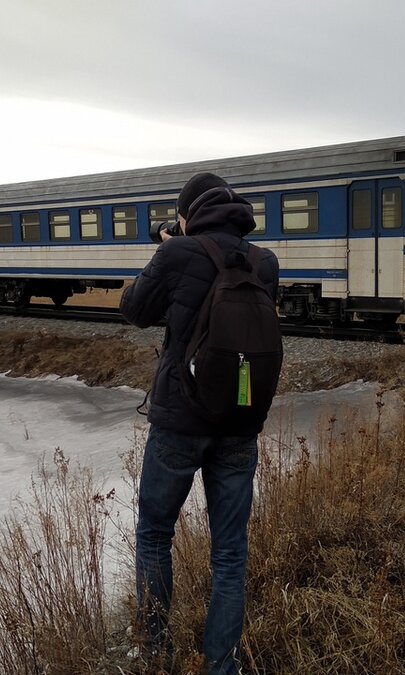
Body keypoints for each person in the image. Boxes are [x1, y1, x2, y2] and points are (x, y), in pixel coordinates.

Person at [120, 171, 280, 674]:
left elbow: (134, 311)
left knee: (154, 535)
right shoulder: (264, 261)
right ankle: (221, 667)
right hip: (240, 421)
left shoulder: (176, 253)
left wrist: (168, 249)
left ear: (188, 214)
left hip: (180, 423)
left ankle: (155, 655)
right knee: (230, 552)